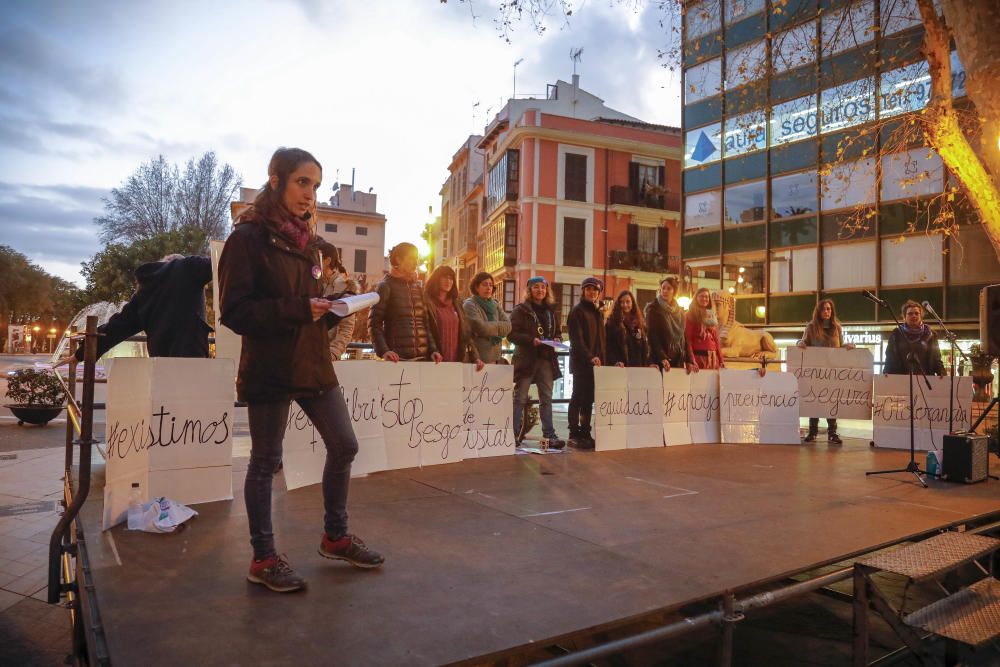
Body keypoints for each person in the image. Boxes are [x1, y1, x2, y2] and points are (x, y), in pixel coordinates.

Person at [219, 147, 383, 594]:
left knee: (345, 445)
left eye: (315, 185)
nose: (310, 194)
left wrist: (334, 309)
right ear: (275, 181)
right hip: (271, 366)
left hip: (312, 363)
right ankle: (264, 558)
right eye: (302, 183)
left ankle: (335, 536)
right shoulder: (246, 239)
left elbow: (306, 308)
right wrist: (299, 309)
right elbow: (234, 311)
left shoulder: (310, 243)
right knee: (265, 462)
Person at [73, 254, 212, 362]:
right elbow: (221, 261)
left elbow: (117, 327)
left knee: (164, 398)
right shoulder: (190, 267)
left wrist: (79, 355)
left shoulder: (145, 294)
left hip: (160, 361)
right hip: (193, 358)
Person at [509, 276, 565, 449]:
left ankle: (549, 435)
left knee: (546, 398)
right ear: (530, 290)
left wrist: (557, 338)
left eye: (543, 287)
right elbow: (511, 334)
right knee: (520, 398)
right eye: (536, 287)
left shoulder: (551, 311)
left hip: (546, 359)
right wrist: (530, 340)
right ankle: (512, 435)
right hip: (527, 359)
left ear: (547, 290)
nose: (540, 290)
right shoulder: (520, 310)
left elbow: (557, 332)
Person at [368, 242, 442, 363]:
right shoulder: (385, 286)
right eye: (412, 258)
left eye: (417, 259)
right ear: (398, 259)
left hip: (422, 360)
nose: (416, 263)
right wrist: (384, 351)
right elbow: (374, 323)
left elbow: (425, 324)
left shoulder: (418, 288)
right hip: (397, 360)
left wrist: (433, 350)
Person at [796, 299, 855, 445]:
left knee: (831, 402)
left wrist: (848, 345)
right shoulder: (811, 327)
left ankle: (832, 433)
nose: (826, 312)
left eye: (829, 309)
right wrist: (800, 343)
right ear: (819, 311)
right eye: (824, 309)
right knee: (815, 400)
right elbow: (802, 342)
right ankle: (813, 431)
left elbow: (840, 346)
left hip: (832, 372)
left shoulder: (837, 328)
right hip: (816, 372)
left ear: (832, 311)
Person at [566, 277, 606, 449]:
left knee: (589, 399)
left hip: (595, 365)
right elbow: (577, 340)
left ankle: (585, 432)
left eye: (595, 290)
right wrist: (590, 357)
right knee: (577, 398)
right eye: (589, 289)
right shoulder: (577, 311)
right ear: (583, 291)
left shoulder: (598, 312)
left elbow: (601, 340)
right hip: (582, 363)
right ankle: (574, 433)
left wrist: (602, 358)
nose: (592, 292)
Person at [424, 266, 484, 370]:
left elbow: (466, 334)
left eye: (451, 278)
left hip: (457, 362)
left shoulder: (457, 303)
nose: (448, 281)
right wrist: (433, 350)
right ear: (436, 279)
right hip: (435, 361)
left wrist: (476, 357)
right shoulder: (427, 301)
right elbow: (426, 330)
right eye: (444, 277)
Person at [316, 239, 358, 361]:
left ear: (327, 261)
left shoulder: (343, 286)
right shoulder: (316, 282)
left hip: (327, 356)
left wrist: (334, 352)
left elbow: (347, 327)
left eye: (316, 257)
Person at [644, 276, 695, 373]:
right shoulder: (653, 309)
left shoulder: (679, 311)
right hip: (660, 360)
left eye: (669, 288)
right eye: (663, 288)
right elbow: (652, 335)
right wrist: (662, 357)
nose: (665, 291)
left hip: (677, 359)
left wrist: (689, 360)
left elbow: (684, 336)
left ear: (674, 291)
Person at [884, 300, 946, 376]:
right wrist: (886, 373)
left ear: (921, 316)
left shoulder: (930, 335)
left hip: (925, 380)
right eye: (910, 314)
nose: (914, 316)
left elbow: (936, 358)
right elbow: (890, 357)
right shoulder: (896, 334)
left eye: (916, 313)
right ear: (904, 317)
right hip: (901, 379)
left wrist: (942, 373)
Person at [463, 272, 512, 364]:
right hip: (478, 358)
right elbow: (481, 328)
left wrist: (490, 327)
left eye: (491, 285)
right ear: (476, 287)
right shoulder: (470, 304)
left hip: (496, 357)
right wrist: (499, 326)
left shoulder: (495, 304)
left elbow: (508, 326)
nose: (489, 288)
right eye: (484, 284)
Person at [607, 290, 651, 368]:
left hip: (638, 368)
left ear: (632, 303)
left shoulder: (639, 323)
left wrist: (648, 364)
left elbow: (644, 347)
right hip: (621, 367)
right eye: (622, 302)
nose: (625, 305)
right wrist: (614, 362)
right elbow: (608, 346)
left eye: (628, 302)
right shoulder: (612, 323)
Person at [685, 287, 724, 370]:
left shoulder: (712, 316)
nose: (704, 299)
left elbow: (716, 340)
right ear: (696, 298)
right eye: (701, 296)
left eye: (706, 297)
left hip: (713, 359)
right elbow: (688, 339)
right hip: (699, 358)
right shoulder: (690, 315)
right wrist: (692, 360)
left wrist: (721, 360)